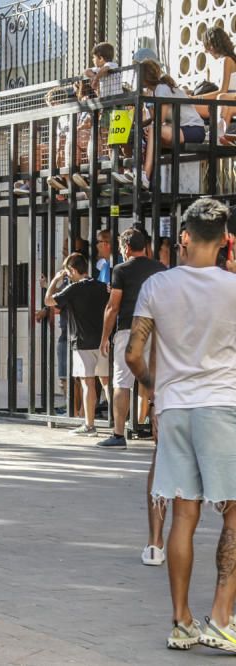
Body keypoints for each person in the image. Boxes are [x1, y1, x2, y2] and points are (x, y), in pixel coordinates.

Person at [125, 198, 236, 652]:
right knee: (232, 512)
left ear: (184, 236)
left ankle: (181, 621)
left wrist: (156, 387)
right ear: (226, 240)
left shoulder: (156, 285)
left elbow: (133, 354)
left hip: (174, 410)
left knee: (184, 515)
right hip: (222, 408)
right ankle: (223, 618)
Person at [97, 228, 165, 449]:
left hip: (129, 329)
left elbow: (112, 307)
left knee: (121, 383)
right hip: (154, 330)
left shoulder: (121, 270)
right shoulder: (160, 269)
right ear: (145, 246)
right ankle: (160, 434)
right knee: (154, 382)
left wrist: (105, 337)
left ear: (126, 248)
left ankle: (118, 434)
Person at [44, 252, 110, 435]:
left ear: (72, 270)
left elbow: (48, 301)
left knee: (87, 383)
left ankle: (89, 426)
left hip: (81, 343)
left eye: (67, 272)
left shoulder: (72, 289)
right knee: (106, 382)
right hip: (103, 341)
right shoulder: (102, 286)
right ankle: (120, 423)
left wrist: (55, 280)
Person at [115, 60, 206, 189]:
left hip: (193, 130)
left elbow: (159, 120)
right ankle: (139, 176)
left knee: (153, 130)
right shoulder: (155, 91)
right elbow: (155, 118)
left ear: (144, 76)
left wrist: (148, 126)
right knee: (146, 135)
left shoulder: (161, 88)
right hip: (179, 130)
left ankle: (145, 176)